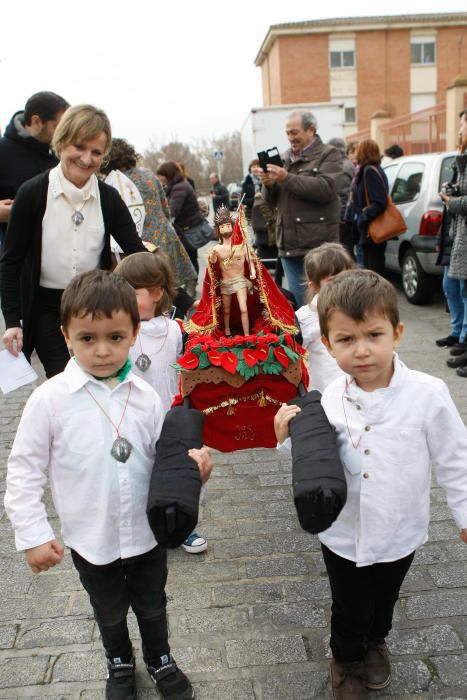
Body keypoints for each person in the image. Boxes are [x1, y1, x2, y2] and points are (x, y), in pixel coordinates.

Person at [4, 269, 212, 700]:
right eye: (87, 339)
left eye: (115, 338)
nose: (102, 351)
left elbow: (163, 460)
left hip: (145, 534)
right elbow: (24, 470)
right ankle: (119, 660)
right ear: (66, 336)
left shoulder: (145, 397)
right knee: (109, 609)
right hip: (90, 537)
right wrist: (33, 535)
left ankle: (160, 658)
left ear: (134, 333)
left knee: (153, 604)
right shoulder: (50, 400)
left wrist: (193, 473)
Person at [274, 269, 467, 700]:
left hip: (400, 529)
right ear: (327, 344)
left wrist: (464, 514)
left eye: (373, 335)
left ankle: (376, 640)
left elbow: (456, 458)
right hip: (342, 532)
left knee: (383, 600)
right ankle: (345, 658)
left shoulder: (428, 393)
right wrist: (286, 439)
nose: (361, 351)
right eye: (346, 340)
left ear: (396, 333)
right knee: (349, 605)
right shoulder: (326, 399)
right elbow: (312, 460)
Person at [0, 104, 146, 378]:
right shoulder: (32, 194)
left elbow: (137, 253)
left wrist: (178, 299)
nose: (86, 158)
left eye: (96, 152)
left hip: (96, 307)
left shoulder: (109, 198)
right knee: (64, 380)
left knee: (98, 377)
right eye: (79, 147)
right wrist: (12, 321)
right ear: (62, 141)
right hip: (46, 309)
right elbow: (11, 261)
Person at [114, 250, 208, 554]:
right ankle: (142, 527)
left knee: (176, 472)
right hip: (131, 416)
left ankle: (181, 525)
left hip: (170, 415)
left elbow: (192, 369)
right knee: (136, 471)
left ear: (156, 293)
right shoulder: (120, 331)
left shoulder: (177, 330)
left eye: (132, 291)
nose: (123, 299)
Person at [100, 138, 197, 307]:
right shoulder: (148, 175)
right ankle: (181, 323)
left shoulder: (112, 182)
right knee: (167, 286)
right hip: (164, 236)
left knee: (149, 291)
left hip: (137, 242)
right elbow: (165, 208)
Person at [261, 109, 342, 308]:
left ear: (311, 130)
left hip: (319, 247)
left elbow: (326, 189)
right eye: (287, 133)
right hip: (289, 246)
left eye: (294, 132)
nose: (290, 138)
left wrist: (286, 178)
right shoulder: (284, 158)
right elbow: (271, 202)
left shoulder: (329, 154)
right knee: (300, 307)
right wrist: (269, 185)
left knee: (326, 305)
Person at [0, 91, 69, 246]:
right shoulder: (3, 151)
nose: (64, 135)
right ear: (36, 122)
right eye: (58, 128)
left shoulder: (62, 153)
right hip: (19, 258)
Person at [296, 242, 354, 392]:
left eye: (346, 277)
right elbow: (294, 355)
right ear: (314, 286)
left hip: (356, 387)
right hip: (325, 391)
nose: (342, 285)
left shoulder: (359, 308)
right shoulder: (306, 319)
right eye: (332, 280)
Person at [440, 109, 467, 377]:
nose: (459, 130)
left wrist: (452, 202)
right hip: (460, 236)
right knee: (457, 289)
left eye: (462, 125)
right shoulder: (462, 159)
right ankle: (462, 339)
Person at [209, 205, 256, 336]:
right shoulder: (217, 249)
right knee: (226, 310)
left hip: (240, 280)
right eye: (223, 226)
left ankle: (246, 334)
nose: (226, 228)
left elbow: (250, 261)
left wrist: (253, 272)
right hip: (226, 282)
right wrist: (212, 256)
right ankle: (227, 330)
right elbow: (213, 265)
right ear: (218, 230)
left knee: (243, 308)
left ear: (233, 226)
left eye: (228, 225)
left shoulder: (242, 246)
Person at [156, 161, 203, 279]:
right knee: (190, 256)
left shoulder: (179, 187)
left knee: (190, 257)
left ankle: (192, 283)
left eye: (161, 175)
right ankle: (191, 282)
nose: (159, 178)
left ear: (168, 174)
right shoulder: (178, 185)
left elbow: (172, 211)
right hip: (186, 227)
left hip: (188, 229)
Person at [351, 139, 389, 275]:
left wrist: (363, 216)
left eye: (358, 150)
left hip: (372, 232)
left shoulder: (369, 171)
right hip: (368, 230)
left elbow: (380, 202)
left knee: (371, 271)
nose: (356, 153)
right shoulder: (370, 169)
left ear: (364, 152)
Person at [328, 138, 355, 255]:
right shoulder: (348, 164)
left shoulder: (342, 167)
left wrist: (341, 217)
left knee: (344, 251)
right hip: (347, 216)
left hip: (343, 219)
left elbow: (343, 194)